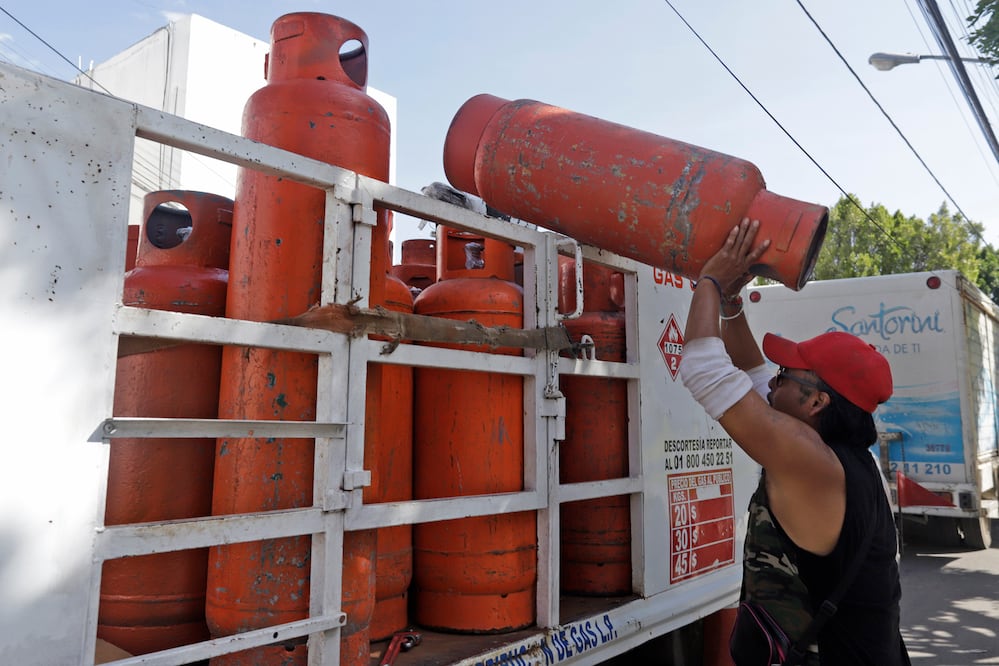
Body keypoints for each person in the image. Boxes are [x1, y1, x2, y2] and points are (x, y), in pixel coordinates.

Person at [679, 218, 910, 665]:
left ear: (818, 401)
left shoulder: (813, 462)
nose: (774, 380)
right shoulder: (839, 453)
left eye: (786, 374)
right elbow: (754, 376)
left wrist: (709, 280)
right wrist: (730, 303)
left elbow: (703, 369)